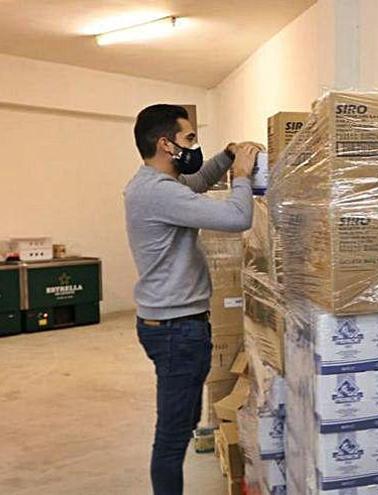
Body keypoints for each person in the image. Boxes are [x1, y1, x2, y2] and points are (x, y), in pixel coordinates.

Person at [124, 104, 263, 495]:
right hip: (175, 330)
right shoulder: (158, 193)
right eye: (189, 139)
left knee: (179, 427)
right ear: (166, 145)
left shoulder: (153, 183)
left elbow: (198, 181)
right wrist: (241, 177)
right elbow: (238, 218)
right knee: (171, 439)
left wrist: (226, 157)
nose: (193, 146)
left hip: (170, 325)